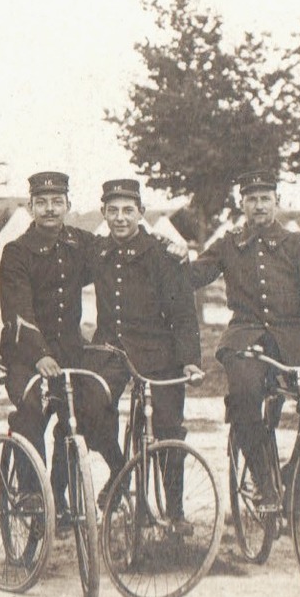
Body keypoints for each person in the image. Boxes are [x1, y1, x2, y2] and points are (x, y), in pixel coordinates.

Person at [186, 170, 300, 505]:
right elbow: (194, 275)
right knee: (245, 396)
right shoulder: (229, 244)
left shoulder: (296, 245)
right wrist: (172, 258)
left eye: (265, 199)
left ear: (277, 202)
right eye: (251, 199)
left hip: (294, 337)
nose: (259, 206)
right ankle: (264, 480)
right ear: (242, 204)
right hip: (245, 337)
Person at [0, 171, 115, 508]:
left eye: (57, 202)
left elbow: (119, 250)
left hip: (69, 350)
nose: (50, 209)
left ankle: (58, 495)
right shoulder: (17, 251)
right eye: (42, 202)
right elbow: (17, 311)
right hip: (25, 352)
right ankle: (32, 493)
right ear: (31, 206)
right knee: (32, 409)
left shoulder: (81, 243)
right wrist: (39, 355)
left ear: (68, 205)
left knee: (79, 416)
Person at [85, 178, 203, 512]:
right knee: (89, 404)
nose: (120, 217)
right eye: (113, 211)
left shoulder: (164, 255)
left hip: (157, 352)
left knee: (167, 428)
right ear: (103, 213)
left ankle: (175, 513)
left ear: (141, 213)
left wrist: (190, 360)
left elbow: (183, 312)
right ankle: (121, 470)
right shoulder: (96, 250)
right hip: (110, 351)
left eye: (128, 210)